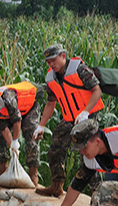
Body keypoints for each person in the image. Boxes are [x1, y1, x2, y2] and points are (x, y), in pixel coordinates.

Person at [33, 44, 104, 197]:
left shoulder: (79, 69)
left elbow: (97, 90)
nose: (51, 64)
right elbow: (51, 103)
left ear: (63, 56)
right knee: (55, 148)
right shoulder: (51, 78)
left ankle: (97, 194)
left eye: (53, 60)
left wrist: (86, 112)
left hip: (87, 116)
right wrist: (41, 125)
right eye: (48, 62)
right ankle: (56, 186)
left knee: (87, 153)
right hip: (70, 118)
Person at [48, 119, 118, 206]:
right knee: (103, 197)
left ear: (97, 142)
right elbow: (77, 185)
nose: (82, 152)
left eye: (84, 148)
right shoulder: (91, 159)